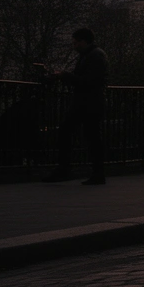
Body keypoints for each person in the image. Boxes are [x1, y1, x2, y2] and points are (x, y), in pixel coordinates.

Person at [41, 28, 109, 185]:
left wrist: (65, 76)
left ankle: (66, 169)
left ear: (84, 41)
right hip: (90, 102)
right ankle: (96, 173)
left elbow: (87, 81)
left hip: (87, 102)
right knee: (91, 137)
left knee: (70, 132)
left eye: (76, 42)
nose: (74, 45)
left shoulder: (93, 56)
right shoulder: (94, 54)